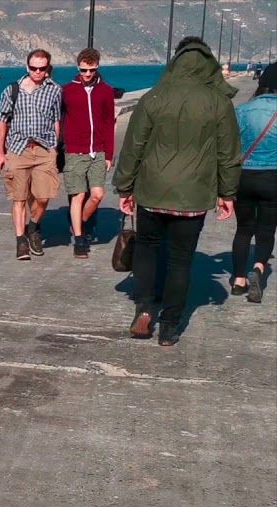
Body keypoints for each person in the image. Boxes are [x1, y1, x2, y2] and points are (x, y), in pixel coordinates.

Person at [113, 37, 241, 346]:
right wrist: (228, 193)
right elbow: (228, 153)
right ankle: (169, 327)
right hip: (194, 196)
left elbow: (134, 146)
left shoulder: (154, 97)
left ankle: (144, 309)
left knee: (146, 247)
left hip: (152, 190)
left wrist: (125, 186)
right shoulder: (218, 102)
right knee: (181, 260)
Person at [0, 49, 63, 261]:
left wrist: (55, 148)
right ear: (27, 67)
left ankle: (33, 227)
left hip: (44, 150)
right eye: (33, 68)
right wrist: (0, 152)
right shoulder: (12, 90)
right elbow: (1, 120)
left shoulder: (55, 91)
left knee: (43, 196)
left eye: (42, 68)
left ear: (47, 68)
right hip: (18, 148)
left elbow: (56, 119)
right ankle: (21, 240)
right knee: (18, 197)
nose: (37, 72)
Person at [60, 47, 116, 259]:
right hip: (75, 151)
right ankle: (80, 240)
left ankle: (78, 223)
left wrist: (109, 154)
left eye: (91, 70)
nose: (87, 74)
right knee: (78, 195)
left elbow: (109, 123)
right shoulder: (66, 90)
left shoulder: (106, 91)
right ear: (78, 67)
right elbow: (59, 119)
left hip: (98, 152)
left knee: (97, 196)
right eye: (84, 70)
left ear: (97, 67)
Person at [229, 64, 277, 303]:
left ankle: (238, 280)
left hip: (243, 176)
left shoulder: (243, 110)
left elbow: (230, 147)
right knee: (267, 229)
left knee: (244, 228)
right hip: (273, 178)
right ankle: (258, 269)